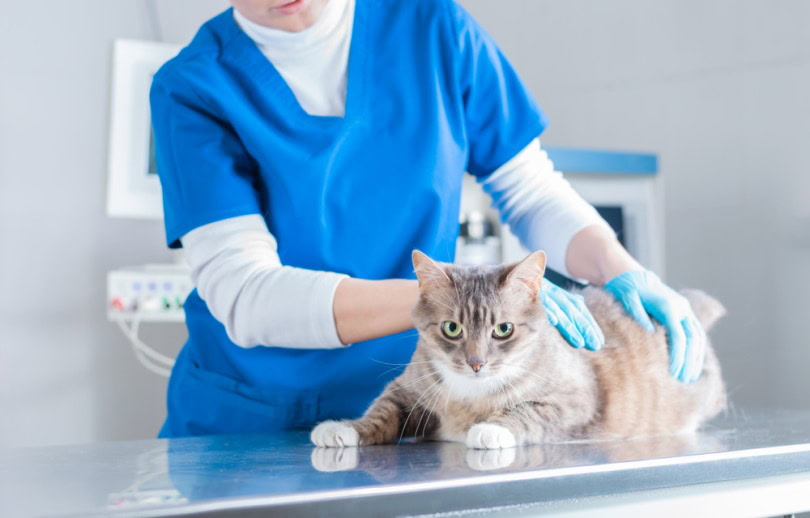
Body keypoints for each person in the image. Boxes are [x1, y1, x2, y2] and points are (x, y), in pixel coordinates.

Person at [150, 0, 705, 438]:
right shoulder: (194, 86)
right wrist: (446, 305)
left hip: (428, 404)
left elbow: (529, 190)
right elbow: (246, 295)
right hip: (250, 417)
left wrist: (622, 269)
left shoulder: (433, 27)